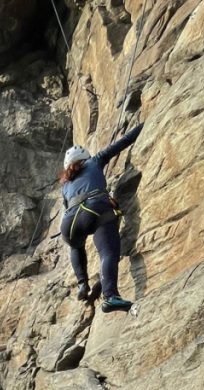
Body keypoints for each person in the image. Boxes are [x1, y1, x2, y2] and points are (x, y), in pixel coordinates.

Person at [59, 123, 144, 313]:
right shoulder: (94, 161)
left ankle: (82, 283)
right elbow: (124, 141)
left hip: (69, 223)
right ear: (85, 158)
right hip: (95, 210)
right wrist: (143, 126)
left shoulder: (65, 185)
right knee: (108, 253)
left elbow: (69, 206)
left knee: (76, 245)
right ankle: (110, 296)